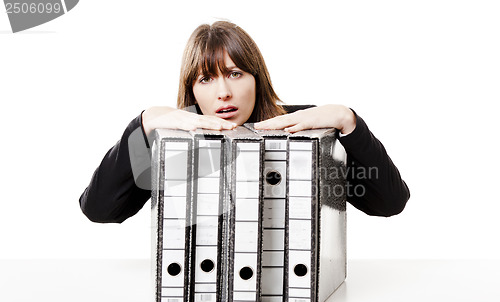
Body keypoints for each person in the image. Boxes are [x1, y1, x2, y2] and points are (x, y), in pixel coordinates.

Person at [79, 21, 409, 223]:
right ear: (191, 89)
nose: (223, 92)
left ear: (256, 78)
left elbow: (389, 203)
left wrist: (348, 122)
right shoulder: (172, 138)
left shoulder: (303, 128)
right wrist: (144, 125)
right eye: (206, 79)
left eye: (235, 73)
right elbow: (100, 210)